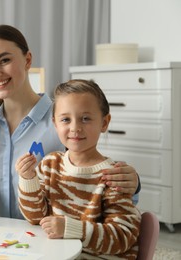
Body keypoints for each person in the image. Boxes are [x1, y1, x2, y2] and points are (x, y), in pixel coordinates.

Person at [0, 24, 140, 219]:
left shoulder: (65, 124)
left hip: (51, 242)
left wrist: (132, 182)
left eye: (4, 60)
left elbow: (96, 183)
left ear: (27, 60)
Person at [15, 79, 141, 259]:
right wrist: (28, 179)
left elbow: (122, 237)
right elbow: (35, 217)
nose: (75, 128)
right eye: (66, 119)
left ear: (104, 123)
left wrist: (70, 228)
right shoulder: (50, 164)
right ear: (55, 123)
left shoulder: (113, 176)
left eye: (86, 118)